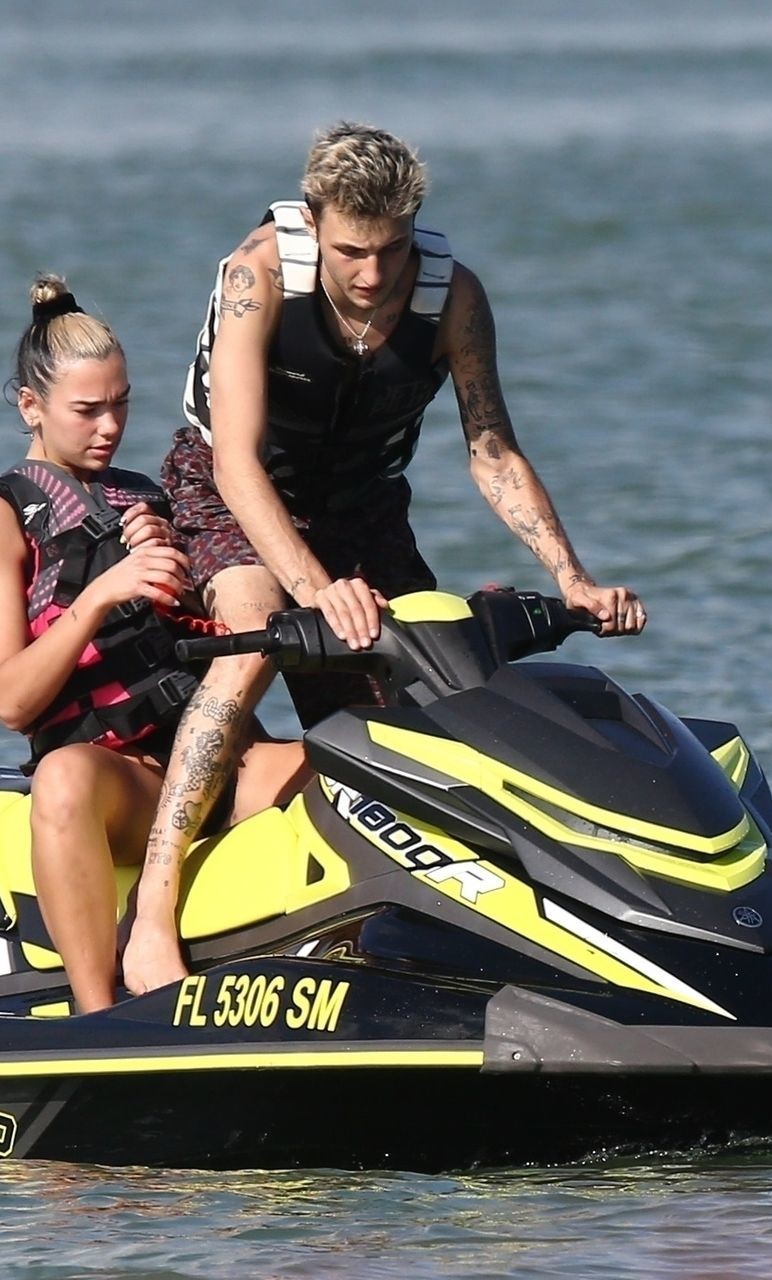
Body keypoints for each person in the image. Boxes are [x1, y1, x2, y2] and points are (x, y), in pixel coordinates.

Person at [121, 122, 647, 996]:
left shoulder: (455, 298)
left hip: (363, 507)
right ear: (314, 221)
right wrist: (317, 591)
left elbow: (492, 451)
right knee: (256, 629)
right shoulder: (258, 276)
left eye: (391, 250)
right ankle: (152, 913)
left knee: (426, 695)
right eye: (351, 252)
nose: (372, 274)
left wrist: (572, 577)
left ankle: (397, 927)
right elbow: (236, 464)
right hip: (234, 492)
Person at [0, 273, 308, 1014]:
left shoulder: (145, 495)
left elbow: (210, 635)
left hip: (212, 758)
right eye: (87, 410)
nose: (109, 427)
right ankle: (99, 1017)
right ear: (30, 406)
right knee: (61, 779)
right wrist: (99, 595)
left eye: (121, 404)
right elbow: (11, 701)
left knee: (364, 766)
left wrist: (178, 581)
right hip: (121, 780)